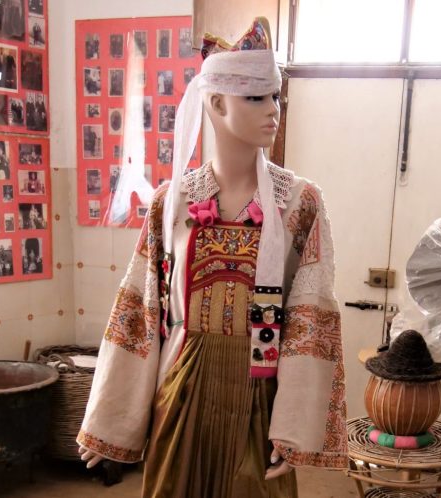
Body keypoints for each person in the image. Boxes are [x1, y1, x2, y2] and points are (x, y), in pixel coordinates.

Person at [78, 18, 347, 498]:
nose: (273, 110)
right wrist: (109, 422)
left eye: (275, 97)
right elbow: (140, 311)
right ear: (217, 103)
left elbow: (310, 317)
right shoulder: (172, 202)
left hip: (259, 391)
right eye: (256, 97)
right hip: (183, 385)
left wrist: (295, 425)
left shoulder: (299, 202)